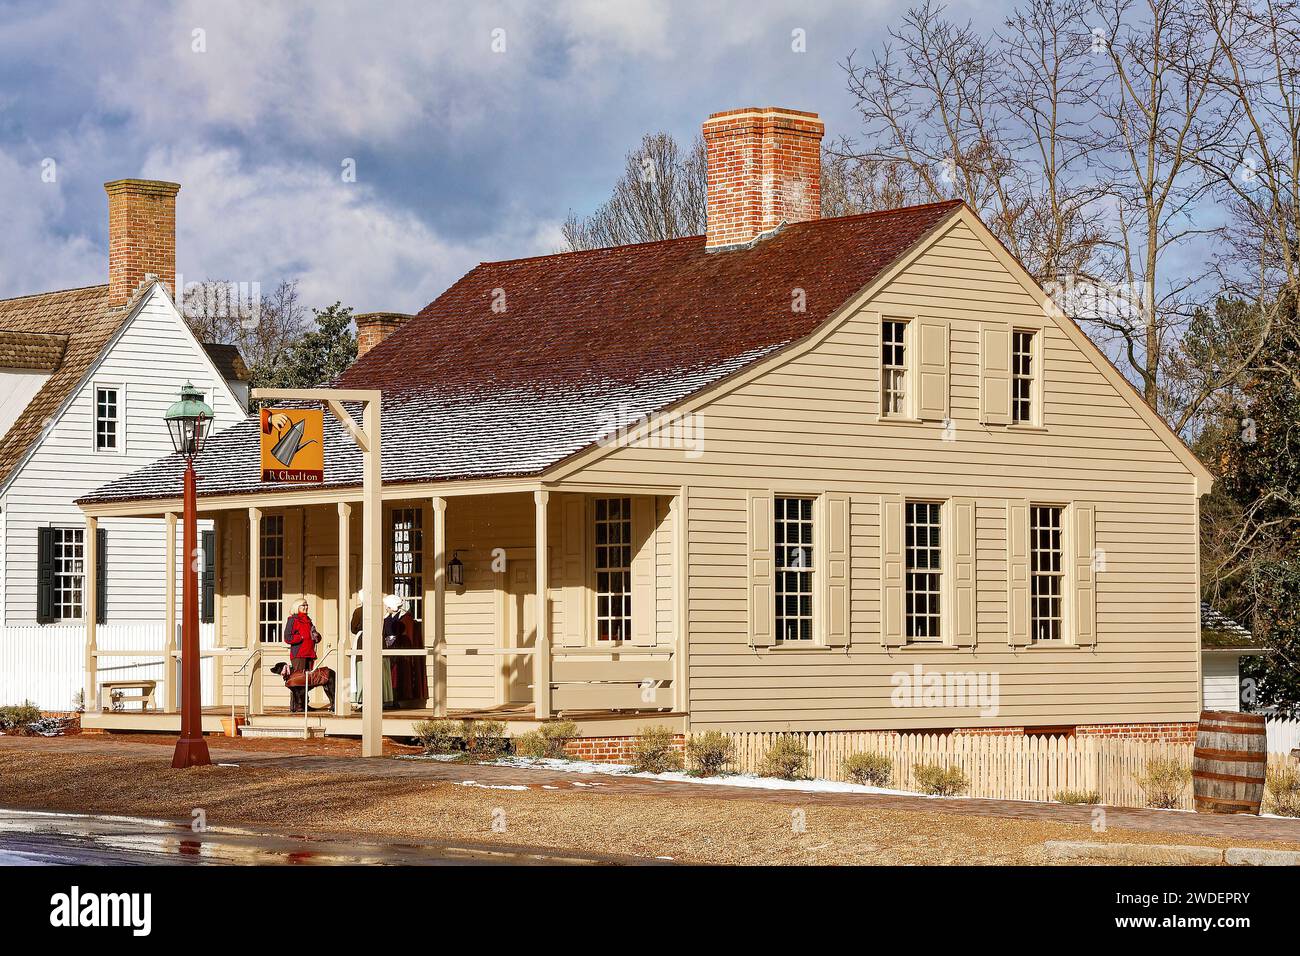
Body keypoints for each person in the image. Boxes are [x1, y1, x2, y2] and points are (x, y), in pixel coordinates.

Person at [384, 594, 428, 708]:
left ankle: (397, 700)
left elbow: (407, 635)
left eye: (387, 606)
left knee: (397, 675)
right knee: (388, 675)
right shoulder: (387, 617)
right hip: (387, 649)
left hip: (400, 652)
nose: (386, 608)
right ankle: (389, 699)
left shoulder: (406, 618)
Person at [282, 598, 321, 676]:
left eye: (307, 605)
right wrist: (301, 637)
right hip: (299, 655)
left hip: (310, 654)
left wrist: (317, 636)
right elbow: (287, 637)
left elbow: (315, 637)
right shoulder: (293, 620)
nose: (306, 607)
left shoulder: (308, 621)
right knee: (300, 679)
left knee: (309, 681)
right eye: (303, 605)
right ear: (297, 607)